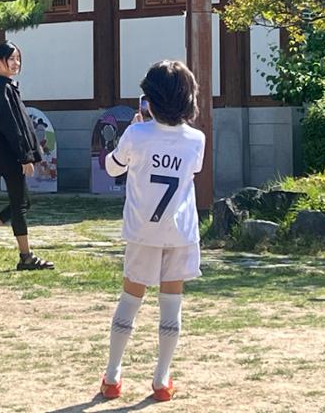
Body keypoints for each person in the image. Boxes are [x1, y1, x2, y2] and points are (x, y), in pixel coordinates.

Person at [99, 60, 205, 402]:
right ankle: (161, 380)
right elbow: (193, 171)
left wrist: (135, 130)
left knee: (130, 301)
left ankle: (113, 376)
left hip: (142, 230)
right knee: (171, 307)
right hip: (179, 232)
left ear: (150, 101)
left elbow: (111, 166)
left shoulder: (136, 133)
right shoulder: (196, 139)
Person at [0, 41, 54, 271]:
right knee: (20, 205)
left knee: (22, 202)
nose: (16, 63)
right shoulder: (2, 88)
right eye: (11, 58)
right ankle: (26, 257)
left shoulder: (5, 86)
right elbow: (11, 126)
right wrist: (25, 156)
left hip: (11, 155)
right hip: (10, 156)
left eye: (18, 59)